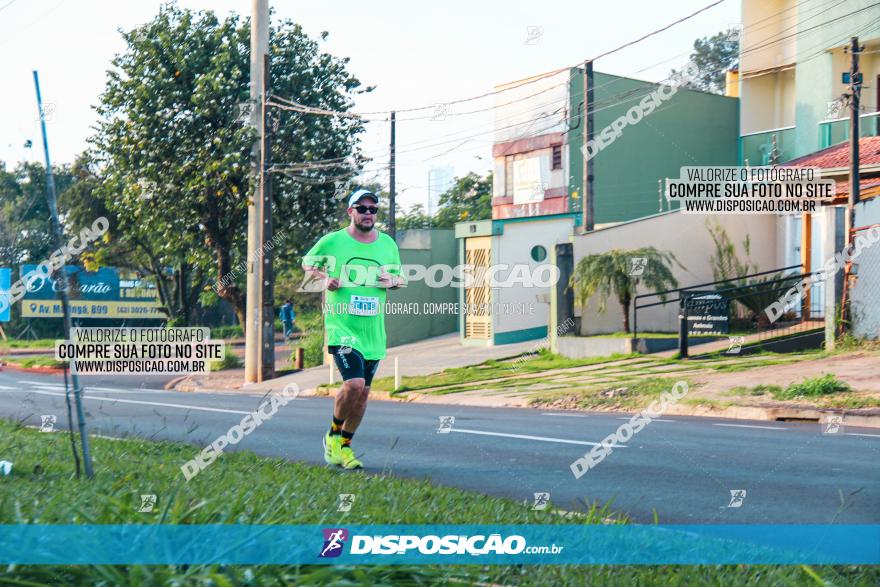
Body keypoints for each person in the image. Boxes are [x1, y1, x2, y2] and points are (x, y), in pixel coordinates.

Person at [302, 189, 404, 470]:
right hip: (342, 327)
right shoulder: (333, 241)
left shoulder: (387, 245)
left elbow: (400, 280)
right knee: (354, 384)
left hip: (373, 332)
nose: (368, 214)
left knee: (363, 395)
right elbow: (307, 262)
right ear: (351, 212)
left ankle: (344, 446)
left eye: (373, 209)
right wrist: (325, 279)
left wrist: (391, 280)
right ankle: (333, 434)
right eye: (363, 208)